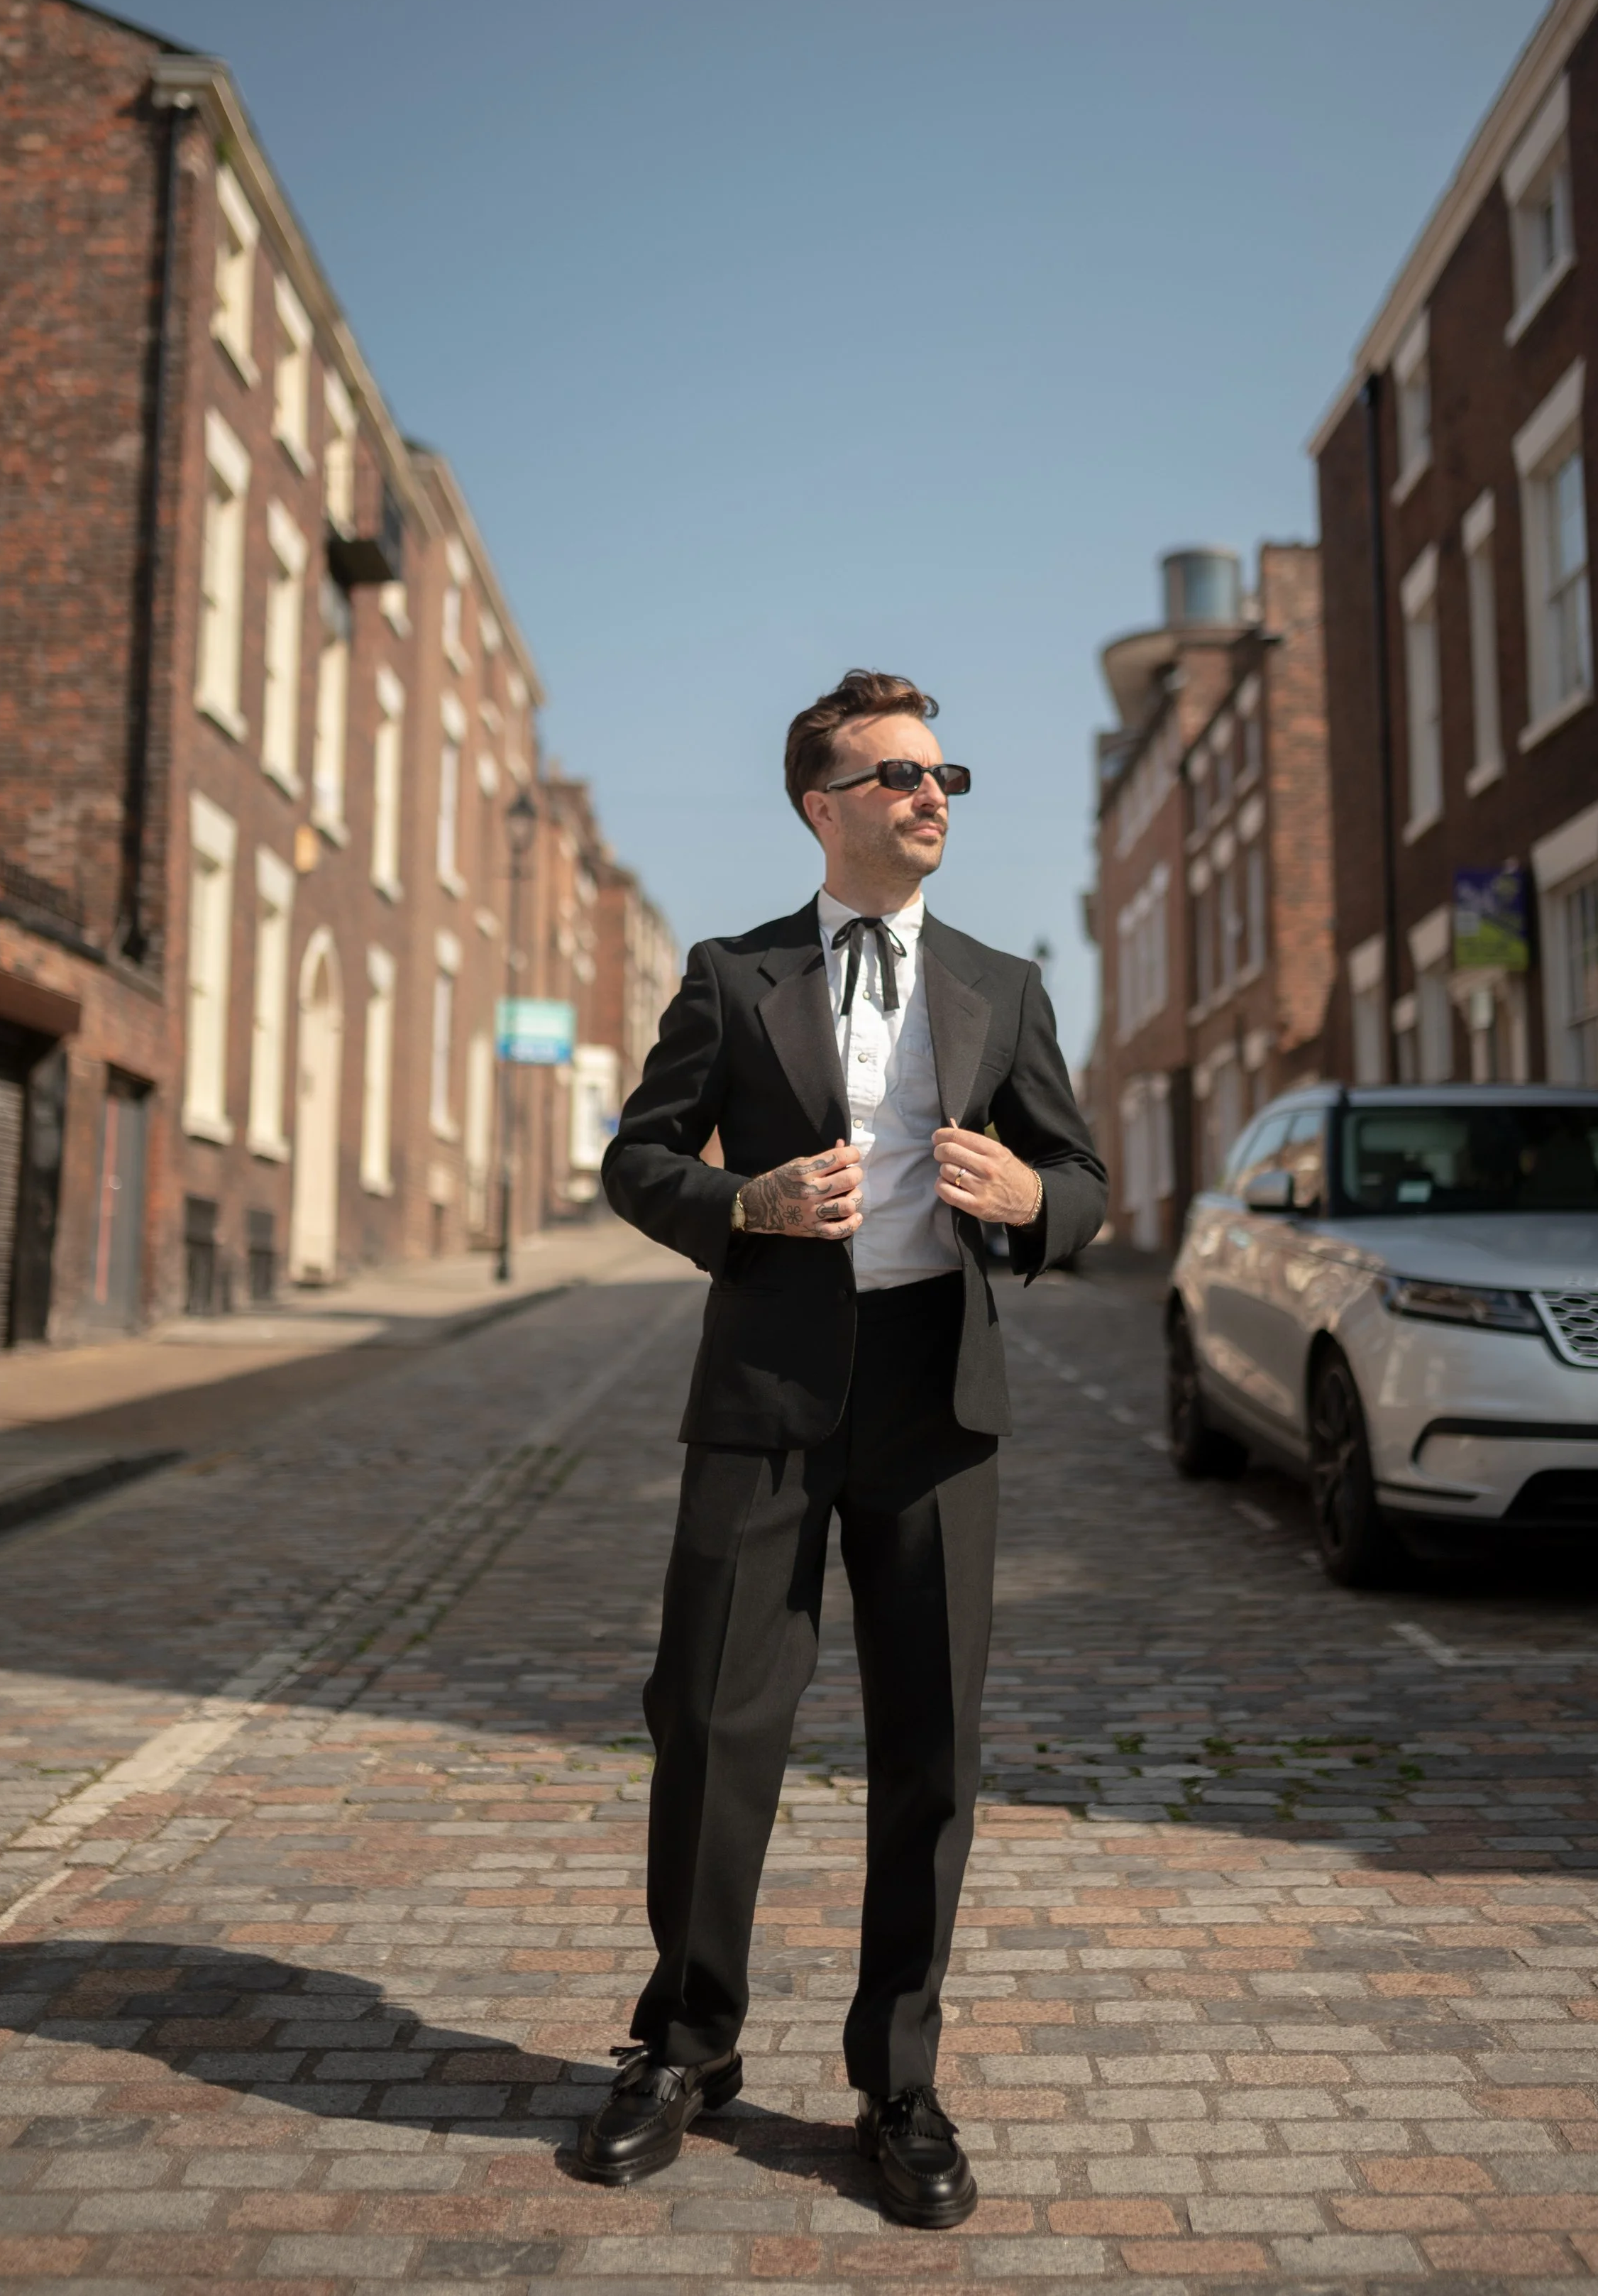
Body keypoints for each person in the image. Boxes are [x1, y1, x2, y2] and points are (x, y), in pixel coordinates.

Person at [576, 669, 1106, 2228]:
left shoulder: (1000, 986)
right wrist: (736, 1204)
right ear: (821, 803)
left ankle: (898, 2079)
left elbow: (1076, 1177)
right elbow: (636, 1157)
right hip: (764, 1396)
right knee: (711, 1720)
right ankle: (683, 2047)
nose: (929, 795)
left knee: (928, 1743)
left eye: (942, 772)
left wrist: (1031, 1208)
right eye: (893, 775)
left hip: (935, 1404)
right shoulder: (732, 978)